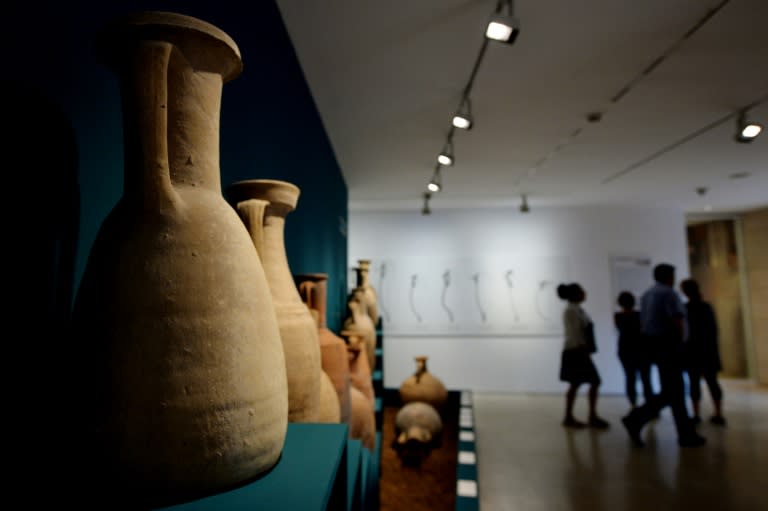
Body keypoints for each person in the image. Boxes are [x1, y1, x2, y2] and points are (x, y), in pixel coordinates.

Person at [621, 263, 706, 448]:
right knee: (674, 390)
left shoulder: (647, 295)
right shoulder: (669, 294)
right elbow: (677, 320)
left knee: (673, 391)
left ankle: (684, 433)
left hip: (655, 347)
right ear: (669, 276)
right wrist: (681, 344)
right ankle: (636, 419)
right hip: (669, 346)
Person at [557, 282, 610, 429]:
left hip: (578, 351)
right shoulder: (571, 311)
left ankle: (578, 416)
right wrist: (583, 350)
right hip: (576, 351)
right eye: (581, 291)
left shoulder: (577, 310)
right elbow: (575, 333)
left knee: (579, 383)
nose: (584, 293)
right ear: (575, 294)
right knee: (589, 382)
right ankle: (580, 416)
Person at [680, 278, 726, 426]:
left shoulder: (685, 308)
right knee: (712, 382)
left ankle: (696, 414)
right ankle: (718, 413)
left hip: (692, 351)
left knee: (694, 383)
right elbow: (713, 331)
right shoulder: (706, 307)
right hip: (708, 351)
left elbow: (684, 333)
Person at [614, 291, 654, 409]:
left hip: (625, 350)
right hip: (642, 350)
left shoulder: (618, 317)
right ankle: (650, 407)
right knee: (646, 380)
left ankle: (633, 405)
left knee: (630, 378)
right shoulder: (640, 315)